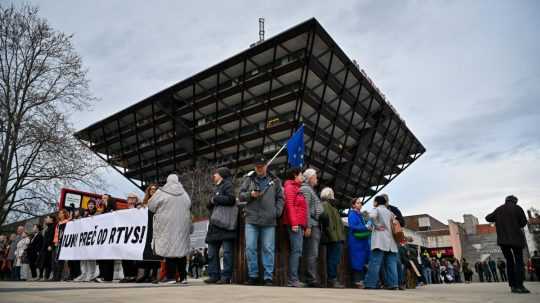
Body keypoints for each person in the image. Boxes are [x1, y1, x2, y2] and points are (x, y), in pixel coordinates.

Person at [238, 156, 284, 286]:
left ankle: (268, 277)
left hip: (269, 220)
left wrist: (277, 212)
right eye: (257, 166)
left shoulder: (275, 180)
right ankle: (253, 276)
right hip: (251, 219)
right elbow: (240, 195)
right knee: (250, 247)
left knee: (268, 249)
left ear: (266, 166)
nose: (259, 168)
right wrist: (250, 195)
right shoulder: (248, 179)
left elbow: (281, 198)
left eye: (261, 166)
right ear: (254, 167)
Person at [148, 173, 192, 284]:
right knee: (181, 251)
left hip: (166, 224)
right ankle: (183, 278)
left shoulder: (162, 192)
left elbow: (151, 206)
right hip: (182, 225)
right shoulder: (184, 193)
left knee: (169, 250)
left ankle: (171, 277)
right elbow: (189, 205)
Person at [485, 195, 529, 293]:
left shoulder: (499, 209)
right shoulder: (518, 208)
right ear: (515, 201)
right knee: (519, 262)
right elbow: (523, 223)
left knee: (509, 262)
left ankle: (513, 286)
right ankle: (520, 285)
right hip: (516, 240)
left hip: (503, 241)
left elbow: (488, 218)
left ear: (506, 200)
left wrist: (498, 219)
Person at [205, 167, 237, 285]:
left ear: (222, 175)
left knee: (227, 252)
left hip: (225, 223)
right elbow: (210, 203)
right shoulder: (216, 187)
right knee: (212, 252)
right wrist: (211, 201)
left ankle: (226, 276)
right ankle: (214, 275)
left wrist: (215, 199)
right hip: (215, 224)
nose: (214, 175)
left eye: (216, 173)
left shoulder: (227, 185)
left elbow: (231, 199)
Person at [363, 195, 399, 290]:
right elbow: (396, 223)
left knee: (375, 262)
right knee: (391, 264)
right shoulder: (390, 212)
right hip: (391, 241)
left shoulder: (376, 209)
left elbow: (371, 216)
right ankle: (393, 284)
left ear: (376, 202)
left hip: (380, 240)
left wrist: (376, 225)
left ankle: (370, 284)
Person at [281, 167, 307, 288]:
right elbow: (290, 205)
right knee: (296, 250)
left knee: (298, 250)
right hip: (294, 224)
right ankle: (293, 279)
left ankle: (294, 278)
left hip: (299, 224)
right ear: (294, 175)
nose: (303, 177)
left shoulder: (297, 188)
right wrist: (294, 223)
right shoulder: (290, 187)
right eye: (301, 175)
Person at [300, 168, 324, 287]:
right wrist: (308, 226)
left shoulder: (310, 190)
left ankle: (310, 277)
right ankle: (311, 279)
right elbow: (306, 209)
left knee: (312, 253)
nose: (317, 179)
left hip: (315, 225)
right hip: (312, 225)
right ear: (310, 178)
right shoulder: (305, 189)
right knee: (311, 253)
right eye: (315, 177)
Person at [319, 187, 346, 288]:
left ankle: (332, 279)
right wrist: (333, 234)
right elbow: (327, 222)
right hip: (334, 237)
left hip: (336, 237)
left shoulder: (331, 206)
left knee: (334, 259)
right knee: (333, 259)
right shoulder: (326, 205)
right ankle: (332, 280)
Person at [137, 184, 161, 283]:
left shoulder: (160, 201)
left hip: (156, 229)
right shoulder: (145, 202)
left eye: (155, 189)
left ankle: (154, 275)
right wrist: (139, 207)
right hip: (147, 230)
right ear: (148, 191)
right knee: (147, 252)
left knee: (155, 252)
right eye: (151, 189)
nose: (153, 190)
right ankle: (146, 274)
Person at [346, 197, 371, 288]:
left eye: (360, 203)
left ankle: (361, 281)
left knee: (362, 260)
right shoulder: (352, 214)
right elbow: (353, 226)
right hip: (356, 241)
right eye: (357, 203)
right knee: (357, 260)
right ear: (353, 205)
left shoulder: (359, 214)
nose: (360, 204)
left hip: (362, 241)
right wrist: (365, 228)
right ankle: (357, 281)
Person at [74, 199, 99, 282]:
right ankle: (84, 273)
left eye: (92, 204)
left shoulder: (97, 213)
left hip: (92, 237)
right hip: (84, 238)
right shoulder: (85, 213)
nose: (90, 205)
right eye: (89, 204)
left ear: (94, 205)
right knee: (83, 257)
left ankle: (91, 273)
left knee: (90, 256)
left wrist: (93, 218)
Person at [119, 193, 141, 283]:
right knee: (124, 256)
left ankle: (133, 275)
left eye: (133, 199)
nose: (131, 201)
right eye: (129, 199)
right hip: (126, 236)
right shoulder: (125, 211)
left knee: (133, 257)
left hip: (135, 236)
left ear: (136, 200)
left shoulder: (139, 209)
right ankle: (127, 275)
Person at [96, 194, 117, 283]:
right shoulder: (101, 209)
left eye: (105, 198)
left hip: (109, 235)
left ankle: (107, 276)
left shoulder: (112, 209)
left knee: (108, 257)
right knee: (101, 256)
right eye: (102, 198)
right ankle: (102, 274)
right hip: (101, 235)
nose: (103, 199)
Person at [52, 209, 70, 281]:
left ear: (64, 214)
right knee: (55, 260)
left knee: (60, 260)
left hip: (62, 242)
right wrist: (55, 241)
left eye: (61, 213)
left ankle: (59, 276)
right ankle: (55, 275)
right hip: (57, 242)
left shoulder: (67, 222)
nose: (59, 214)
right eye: (59, 213)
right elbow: (56, 233)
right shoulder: (58, 223)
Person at [39, 215, 56, 280]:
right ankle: (44, 276)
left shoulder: (53, 226)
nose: (46, 219)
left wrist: (51, 245)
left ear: (52, 219)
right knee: (44, 261)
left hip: (49, 247)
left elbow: (52, 236)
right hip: (45, 247)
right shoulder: (48, 227)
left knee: (49, 262)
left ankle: (47, 276)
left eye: (47, 218)